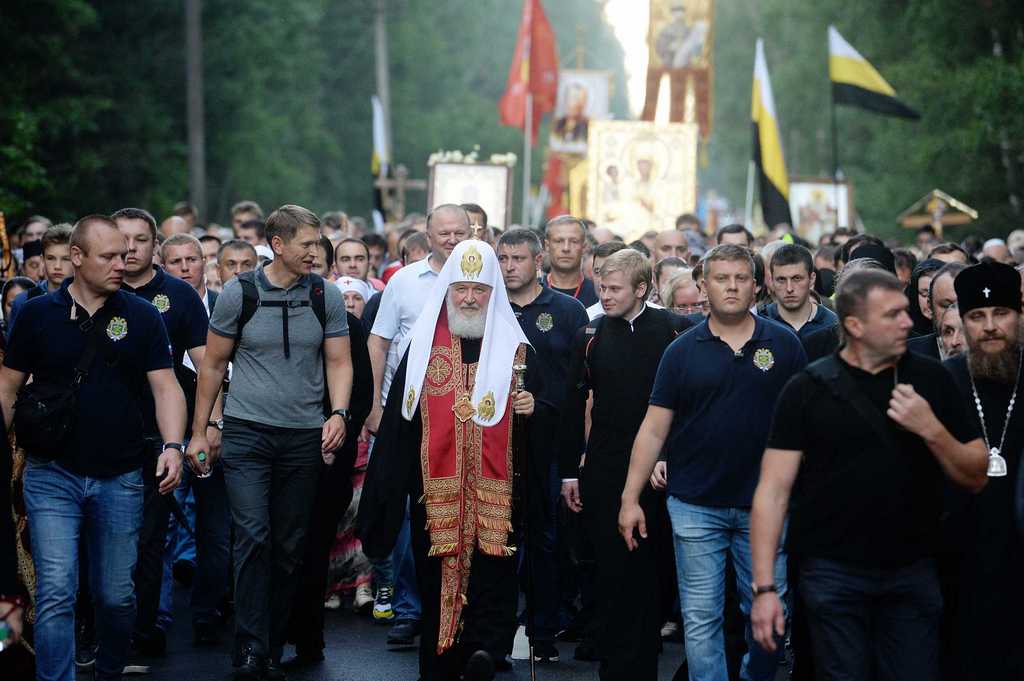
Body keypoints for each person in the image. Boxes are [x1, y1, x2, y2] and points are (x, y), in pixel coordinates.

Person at [749, 268, 987, 681]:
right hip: (832, 574)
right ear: (855, 326)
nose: (908, 322)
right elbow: (772, 491)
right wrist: (765, 589)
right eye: (892, 314)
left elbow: (976, 472)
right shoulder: (807, 389)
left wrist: (931, 428)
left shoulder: (932, 378)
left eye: (905, 311)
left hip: (912, 570)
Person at [0, 214, 186, 681]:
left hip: (121, 475)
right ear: (76, 259)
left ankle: (107, 671)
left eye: (124, 254)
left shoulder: (142, 315)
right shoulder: (35, 314)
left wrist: (173, 446)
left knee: (115, 595)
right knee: (58, 591)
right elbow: (7, 387)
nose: (120, 264)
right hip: (51, 474)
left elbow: (166, 387)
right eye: (108, 256)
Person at [619, 244, 807, 681]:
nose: (732, 287)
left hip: (765, 507)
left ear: (757, 286)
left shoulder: (784, 344)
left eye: (741, 278)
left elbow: (805, 425)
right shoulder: (681, 351)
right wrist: (630, 498)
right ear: (703, 287)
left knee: (770, 620)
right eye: (722, 278)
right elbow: (652, 430)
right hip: (694, 505)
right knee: (701, 622)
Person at [359, 240, 541, 681]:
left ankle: (484, 652)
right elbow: (400, 432)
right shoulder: (421, 352)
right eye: (461, 289)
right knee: (434, 578)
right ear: (447, 290)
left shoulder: (515, 351)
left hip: (497, 495)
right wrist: (383, 498)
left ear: (493, 292)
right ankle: (440, 665)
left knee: (494, 577)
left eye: (480, 290)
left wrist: (533, 408)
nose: (470, 299)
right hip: (434, 496)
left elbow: (548, 416)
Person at [188, 204, 353, 680]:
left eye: (318, 243)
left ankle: (272, 643)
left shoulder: (326, 295)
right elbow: (213, 366)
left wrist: (338, 412)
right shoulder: (238, 294)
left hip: (303, 437)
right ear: (278, 245)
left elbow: (339, 362)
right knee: (253, 537)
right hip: (246, 433)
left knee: (289, 545)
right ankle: (250, 646)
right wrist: (201, 431)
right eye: (305, 244)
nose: (315, 252)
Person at [560, 248, 693, 680]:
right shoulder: (590, 335)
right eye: (602, 286)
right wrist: (571, 470)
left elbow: (690, 405)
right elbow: (574, 404)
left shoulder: (675, 330)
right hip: (603, 467)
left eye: (615, 288)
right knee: (611, 571)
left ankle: (645, 662)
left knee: (653, 572)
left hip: (661, 470)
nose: (606, 295)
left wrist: (670, 454)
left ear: (642, 288)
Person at [111, 207, 220, 656]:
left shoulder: (178, 295)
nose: (131, 249)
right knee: (108, 539)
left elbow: (210, 364)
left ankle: (147, 626)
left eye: (140, 239)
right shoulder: (95, 293)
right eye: (123, 240)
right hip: (102, 434)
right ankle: (102, 625)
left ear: (155, 245)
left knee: (153, 536)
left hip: (163, 433)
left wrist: (208, 424)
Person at [365, 205, 472, 647]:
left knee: (460, 516)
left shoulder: (484, 281)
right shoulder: (405, 282)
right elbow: (380, 341)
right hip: (407, 416)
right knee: (413, 514)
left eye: (459, 232)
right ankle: (410, 608)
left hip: (463, 418)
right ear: (426, 236)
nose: (451, 239)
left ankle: (461, 611)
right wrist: (374, 405)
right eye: (443, 232)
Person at [497, 228, 589, 663]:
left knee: (544, 537)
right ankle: (494, 629)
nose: (509, 267)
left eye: (517, 259)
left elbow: (577, 386)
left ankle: (542, 631)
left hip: (550, 442)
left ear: (539, 262)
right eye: (503, 259)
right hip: (495, 440)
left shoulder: (567, 311)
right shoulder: (486, 304)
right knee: (497, 535)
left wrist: (544, 405)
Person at [942, 261, 1024, 680]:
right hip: (961, 563)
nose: (990, 326)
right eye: (977, 316)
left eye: (1001, 313)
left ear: (1019, 315)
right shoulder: (941, 382)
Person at [7, 223, 73, 338]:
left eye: (66, 259)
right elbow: (14, 351)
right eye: (51, 258)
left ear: (77, 259)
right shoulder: (24, 301)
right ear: (42, 260)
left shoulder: (90, 300)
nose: (57, 266)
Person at [763, 244, 838, 341]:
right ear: (772, 281)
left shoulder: (832, 325)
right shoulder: (759, 323)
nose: (789, 288)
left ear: (811, 279)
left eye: (797, 278)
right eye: (781, 279)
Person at [907, 262, 966, 361]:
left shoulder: (996, 353)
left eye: (964, 304)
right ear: (930, 307)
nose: (955, 313)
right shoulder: (906, 355)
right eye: (947, 305)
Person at [543, 216, 599, 308]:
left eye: (574, 241)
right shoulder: (530, 292)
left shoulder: (598, 294)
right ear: (547, 246)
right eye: (559, 241)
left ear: (584, 247)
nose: (566, 248)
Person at [585, 241, 629, 320]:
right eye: (597, 272)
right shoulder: (585, 318)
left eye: (610, 272)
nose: (602, 280)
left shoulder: (656, 315)